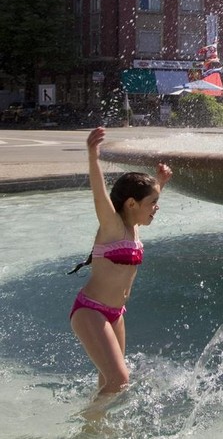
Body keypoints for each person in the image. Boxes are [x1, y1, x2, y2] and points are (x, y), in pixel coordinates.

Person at [68, 127, 172, 397]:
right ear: (131, 204)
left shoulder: (134, 225)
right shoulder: (112, 225)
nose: (156, 207)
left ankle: (100, 430)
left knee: (108, 382)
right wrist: (93, 156)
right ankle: (87, 428)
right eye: (153, 203)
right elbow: (99, 193)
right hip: (91, 310)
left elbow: (149, 195)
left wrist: (159, 181)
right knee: (119, 380)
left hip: (116, 315)